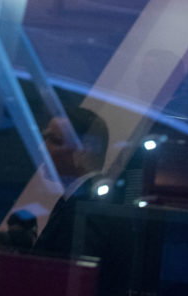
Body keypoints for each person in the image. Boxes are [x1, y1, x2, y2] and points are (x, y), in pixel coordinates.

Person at [34, 105, 133, 296]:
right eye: (43, 137)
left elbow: (74, 284)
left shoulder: (90, 210)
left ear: (84, 151)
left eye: (54, 140)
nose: (41, 147)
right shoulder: (86, 203)